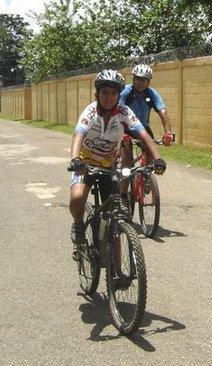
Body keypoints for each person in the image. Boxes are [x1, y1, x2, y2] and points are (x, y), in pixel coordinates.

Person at [69, 69, 166, 246]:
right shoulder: (90, 112)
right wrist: (75, 160)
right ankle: (78, 225)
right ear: (96, 94)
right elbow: (78, 136)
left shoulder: (124, 111)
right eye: (104, 92)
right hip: (86, 163)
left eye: (114, 93)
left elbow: (143, 134)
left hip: (110, 165)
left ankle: (114, 262)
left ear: (118, 95)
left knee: (112, 216)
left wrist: (157, 158)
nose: (109, 97)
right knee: (77, 198)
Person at [119, 64, 174, 145]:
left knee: (152, 152)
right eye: (138, 79)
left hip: (143, 128)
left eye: (144, 80)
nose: (141, 82)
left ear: (148, 82)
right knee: (127, 149)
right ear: (134, 79)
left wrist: (168, 134)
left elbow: (163, 112)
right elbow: (116, 109)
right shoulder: (126, 92)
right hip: (125, 128)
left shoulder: (151, 93)